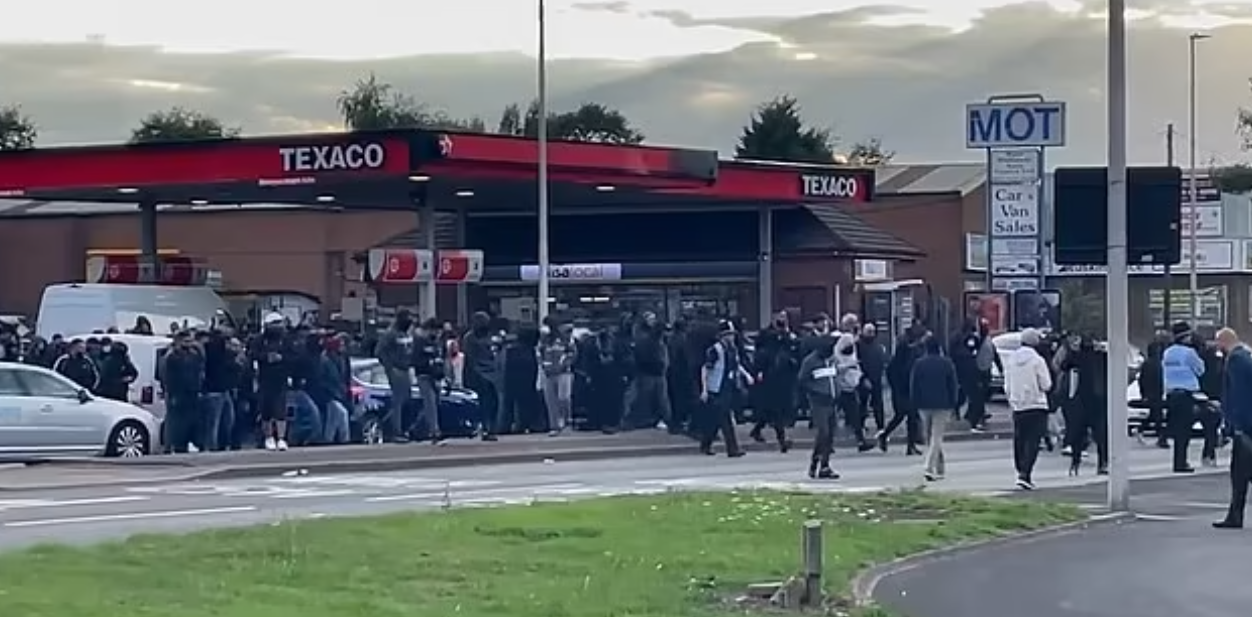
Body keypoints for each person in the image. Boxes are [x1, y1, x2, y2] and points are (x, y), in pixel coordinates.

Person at [1004, 328, 1053, 490]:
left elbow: (1007, 385)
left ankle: (1020, 469)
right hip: (1036, 405)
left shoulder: (1011, 360)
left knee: (1019, 438)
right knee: (1033, 440)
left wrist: (1012, 398)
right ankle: (1026, 473)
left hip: (1018, 405)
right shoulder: (1037, 361)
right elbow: (1046, 384)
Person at [1214, 327, 1252, 529]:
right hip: (1247, 424)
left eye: (1218, 343)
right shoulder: (1246, 357)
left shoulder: (1236, 360)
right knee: (1241, 472)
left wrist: (1235, 425)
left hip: (1244, 426)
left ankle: (1235, 516)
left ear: (1224, 341)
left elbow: (1238, 394)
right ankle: (1234, 515)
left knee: (1240, 471)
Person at [910, 335, 959, 482]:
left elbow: (914, 385)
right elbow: (953, 385)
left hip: (924, 405)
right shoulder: (947, 363)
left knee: (930, 438)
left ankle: (930, 468)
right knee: (936, 437)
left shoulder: (919, 364)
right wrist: (953, 404)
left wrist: (914, 403)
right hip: (942, 405)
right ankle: (937, 468)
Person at [697, 320, 748, 458]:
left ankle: (705, 444)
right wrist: (705, 389)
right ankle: (733, 449)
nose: (731, 337)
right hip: (716, 388)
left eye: (732, 334)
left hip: (728, 387)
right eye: (728, 335)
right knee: (725, 418)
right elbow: (705, 369)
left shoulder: (733, 349)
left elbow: (737, 365)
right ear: (722, 336)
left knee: (715, 420)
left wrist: (747, 376)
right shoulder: (715, 350)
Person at [1162, 322, 1204, 473]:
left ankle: (1177, 461)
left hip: (1171, 393)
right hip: (1186, 394)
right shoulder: (1189, 353)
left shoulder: (1167, 353)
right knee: (1185, 430)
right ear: (1185, 337)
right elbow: (1200, 370)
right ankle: (1181, 463)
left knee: (1177, 428)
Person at [798, 334, 839, 479]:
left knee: (830, 435)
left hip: (832, 401)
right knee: (823, 433)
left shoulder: (832, 360)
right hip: (818, 402)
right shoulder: (810, 361)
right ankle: (815, 462)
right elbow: (802, 380)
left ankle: (825, 466)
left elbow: (835, 378)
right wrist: (816, 391)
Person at [376, 310, 415, 443]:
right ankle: (395, 432)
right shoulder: (390, 334)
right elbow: (379, 351)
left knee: (407, 401)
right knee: (398, 403)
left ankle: (404, 430)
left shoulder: (406, 333)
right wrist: (390, 367)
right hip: (396, 370)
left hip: (406, 369)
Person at [412, 319, 446, 443]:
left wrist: (443, 375)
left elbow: (442, 359)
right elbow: (415, 359)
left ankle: (416, 429)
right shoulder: (419, 341)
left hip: (436, 376)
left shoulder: (438, 342)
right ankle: (434, 431)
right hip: (424, 375)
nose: (438, 333)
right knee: (430, 402)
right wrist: (428, 363)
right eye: (436, 331)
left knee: (434, 403)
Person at [539, 323, 576, 436]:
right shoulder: (544, 341)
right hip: (549, 374)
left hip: (563, 373)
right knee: (551, 401)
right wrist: (544, 367)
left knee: (564, 398)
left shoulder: (566, 339)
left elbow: (572, 354)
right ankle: (554, 426)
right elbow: (539, 355)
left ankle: (567, 420)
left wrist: (563, 365)